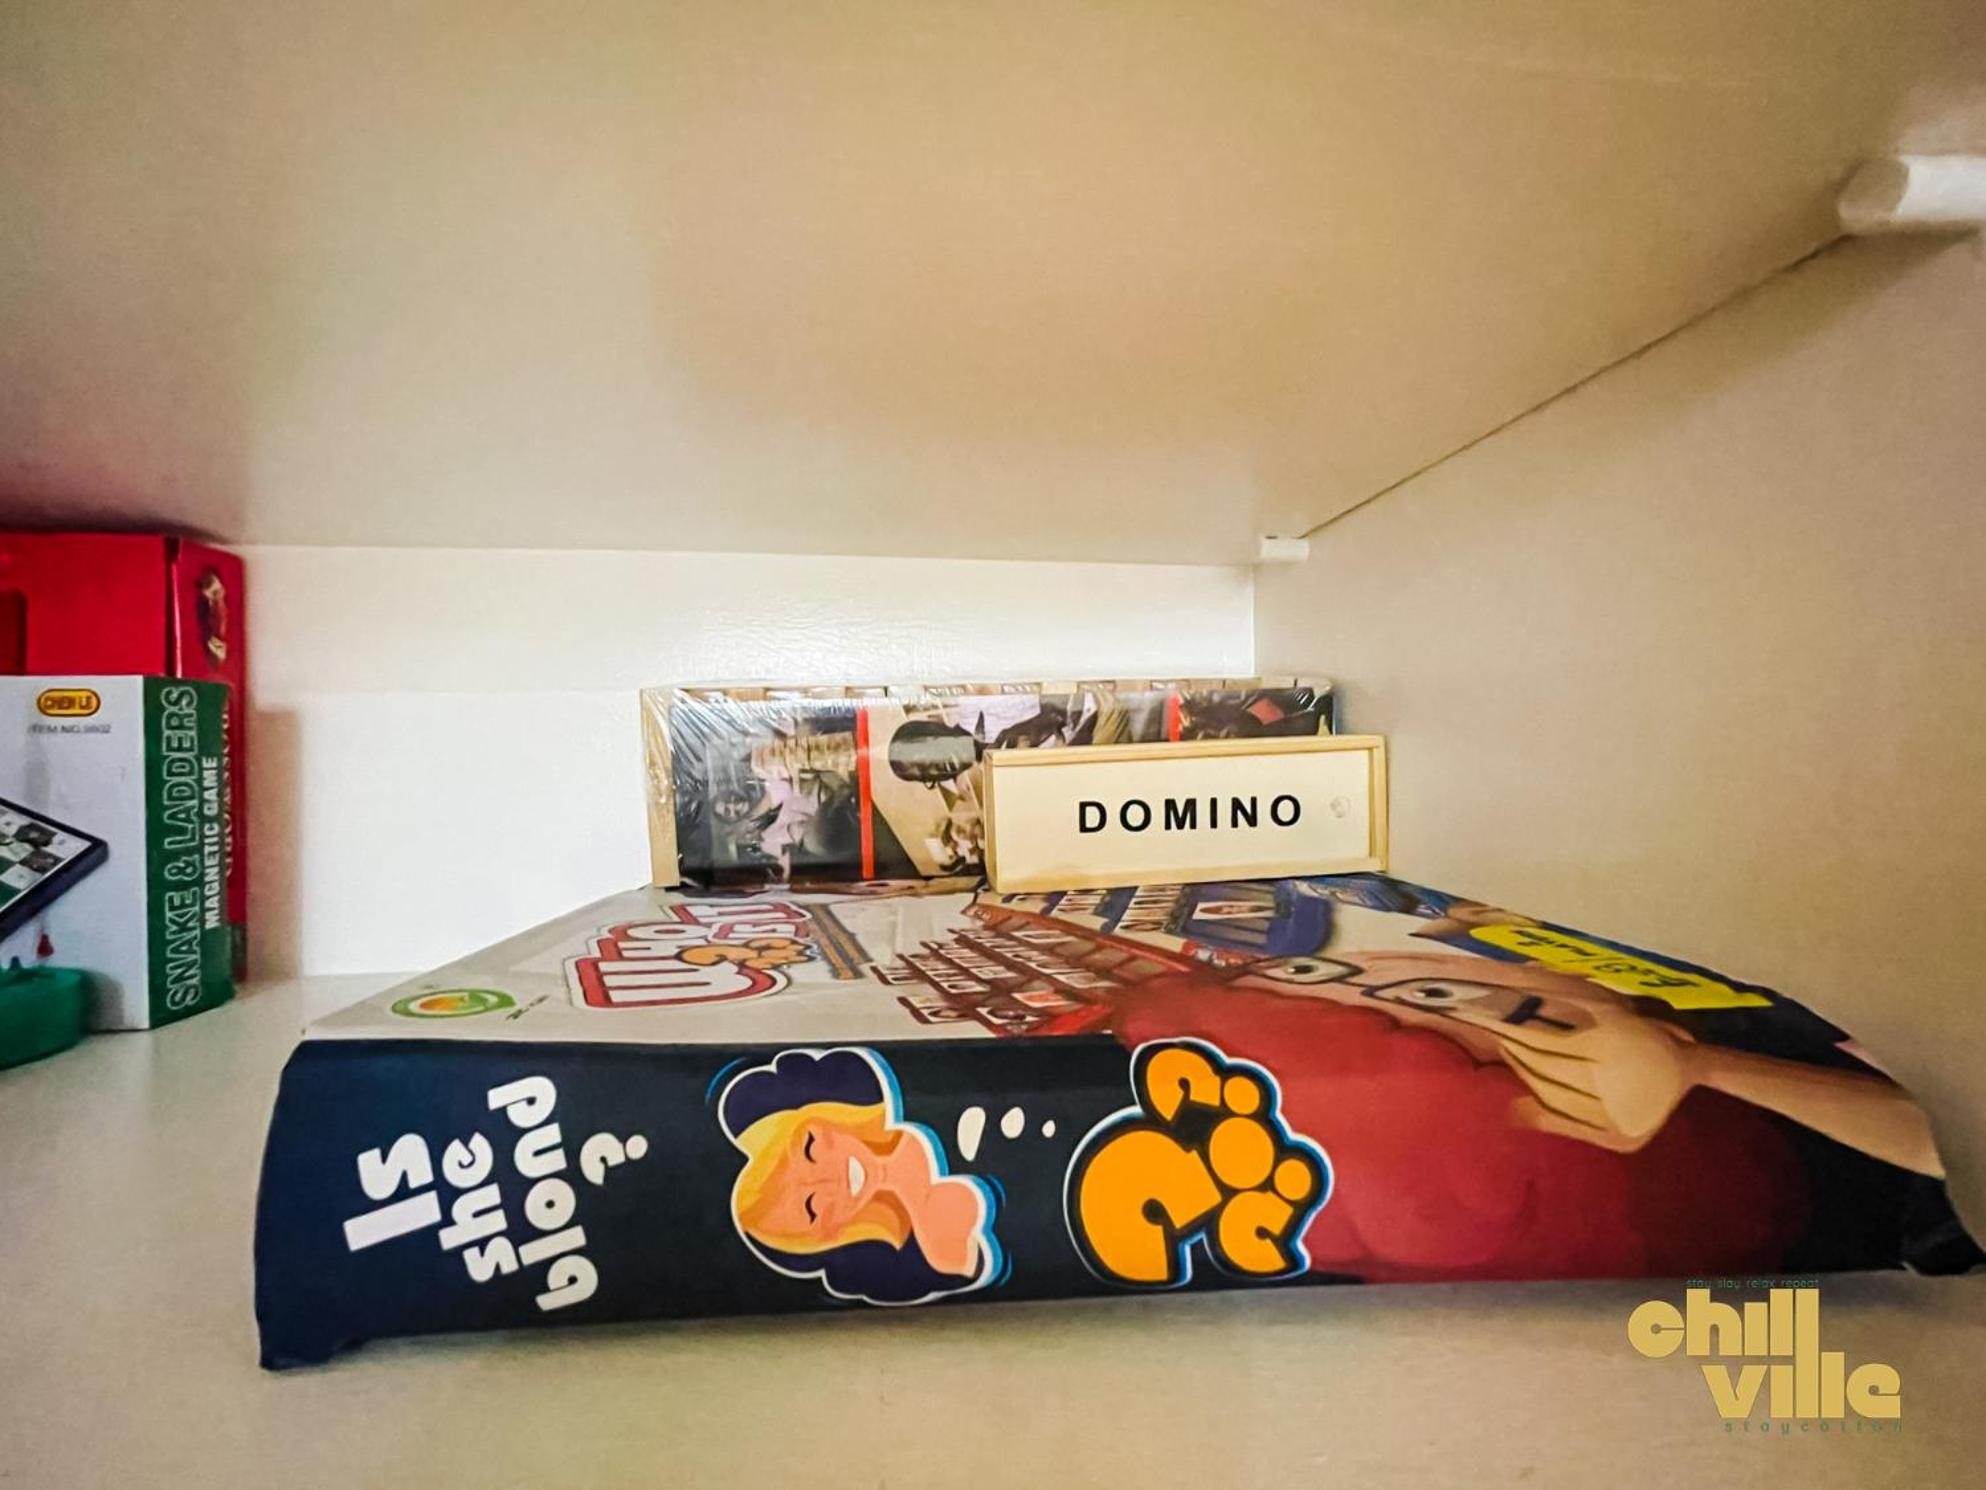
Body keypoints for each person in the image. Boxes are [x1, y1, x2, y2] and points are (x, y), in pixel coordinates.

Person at [718, 1047, 999, 1304]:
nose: (830, 1180)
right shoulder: (938, 1252)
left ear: (823, 1112)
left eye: (809, 1149)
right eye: (811, 1207)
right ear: (829, 1235)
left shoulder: (921, 1091)